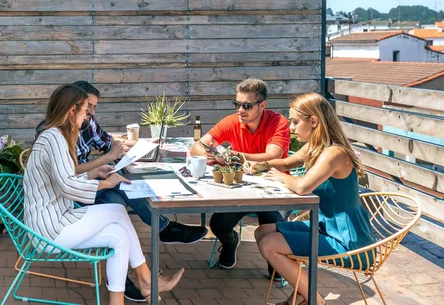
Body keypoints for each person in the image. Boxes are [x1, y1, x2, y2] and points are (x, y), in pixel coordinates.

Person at [36, 81, 207, 302]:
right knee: (117, 205)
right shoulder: (52, 137)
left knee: (121, 204)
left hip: (68, 201)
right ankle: (149, 264)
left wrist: (113, 159)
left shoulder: (70, 129)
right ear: (73, 109)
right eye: (88, 108)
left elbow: (93, 154)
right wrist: (103, 170)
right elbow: (68, 180)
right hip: (58, 214)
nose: (90, 114)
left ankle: (144, 276)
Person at [253, 92, 375, 305]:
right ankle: (302, 294)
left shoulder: (334, 153)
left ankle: (315, 301)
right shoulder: (316, 147)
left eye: (295, 122)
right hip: (325, 227)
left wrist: (279, 176)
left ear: (314, 121)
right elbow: (288, 162)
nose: (291, 128)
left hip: (348, 241)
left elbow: (302, 187)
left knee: (270, 245)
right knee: (262, 231)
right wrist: (265, 165)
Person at [189, 78, 290, 274]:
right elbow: (197, 146)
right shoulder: (232, 121)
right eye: (237, 104)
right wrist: (208, 153)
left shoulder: (278, 122)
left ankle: (277, 264)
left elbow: (273, 154)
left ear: (262, 105)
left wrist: (236, 155)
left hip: (272, 187)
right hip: (240, 186)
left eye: (247, 106)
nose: (240, 110)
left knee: (272, 227)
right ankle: (230, 241)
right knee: (218, 224)